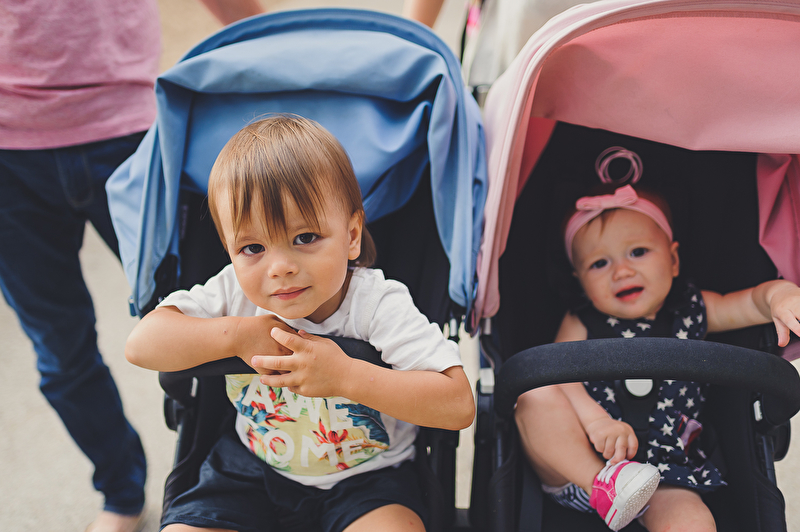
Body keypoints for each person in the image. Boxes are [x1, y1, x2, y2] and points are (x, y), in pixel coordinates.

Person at [125, 114, 475, 532]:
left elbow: (457, 404)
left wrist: (346, 376)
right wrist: (237, 336)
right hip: (251, 467)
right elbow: (141, 344)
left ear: (351, 235)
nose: (280, 267)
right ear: (229, 250)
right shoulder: (233, 293)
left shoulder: (376, 304)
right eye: (252, 247)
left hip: (369, 477)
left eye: (305, 238)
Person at [0, 2, 264, 531]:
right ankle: (121, 491)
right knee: (60, 351)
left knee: (219, 315)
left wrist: (266, 40)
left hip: (129, 126)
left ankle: (242, 471)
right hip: (9, 152)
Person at [513, 184, 800, 531]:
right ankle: (606, 489)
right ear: (580, 280)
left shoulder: (693, 309)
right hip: (583, 462)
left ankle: (632, 498)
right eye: (599, 263)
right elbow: (561, 378)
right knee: (535, 394)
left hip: (665, 473)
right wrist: (596, 422)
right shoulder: (581, 320)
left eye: (638, 252)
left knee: (692, 522)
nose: (621, 271)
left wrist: (780, 296)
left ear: (673, 260)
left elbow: (752, 303)